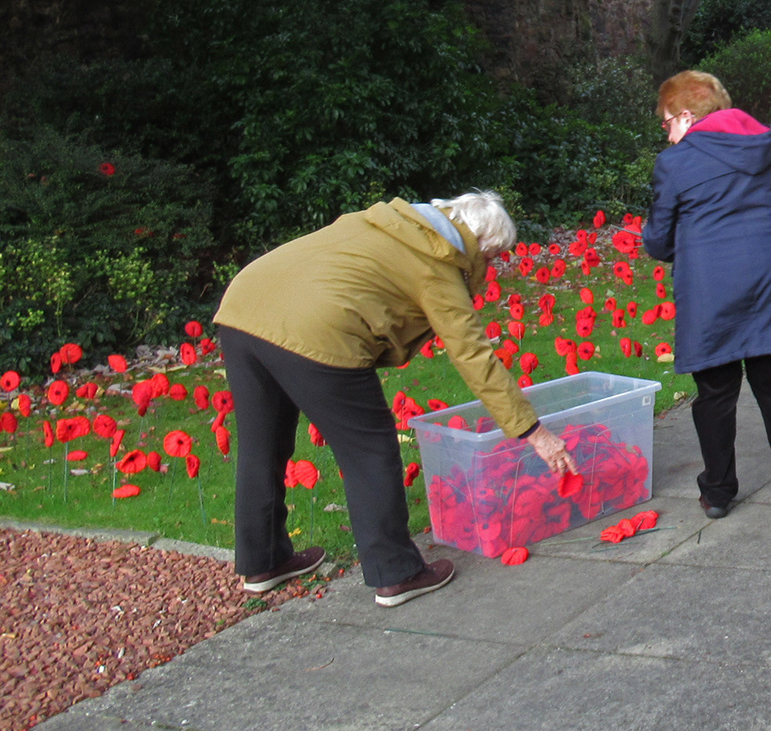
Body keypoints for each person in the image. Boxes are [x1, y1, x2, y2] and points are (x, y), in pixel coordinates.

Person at [214, 191, 576, 607]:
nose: (488, 268)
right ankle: (396, 572)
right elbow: (473, 355)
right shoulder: (438, 263)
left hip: (243, 307)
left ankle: (264, 563)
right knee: (370, 450)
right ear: (478, 243)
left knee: (262, 445)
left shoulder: (387, 221)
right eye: (490, 257)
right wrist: (534, 432)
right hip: (319, 329)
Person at [643, 70, 771, 519]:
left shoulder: (675, 164)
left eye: (667, 122)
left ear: (685, 115)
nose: (667, 133)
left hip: (712, 285)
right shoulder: (765, 145)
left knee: (716, 391)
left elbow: (658, 242)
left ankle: (719, 491)